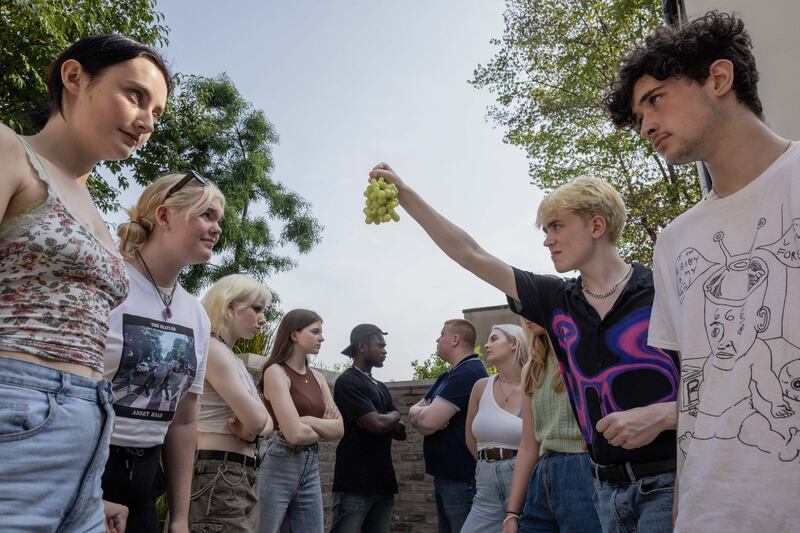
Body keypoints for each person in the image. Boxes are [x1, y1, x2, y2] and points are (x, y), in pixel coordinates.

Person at [368, 166, 680, 532]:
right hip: (603, 491)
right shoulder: (556, 300)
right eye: (545, 230)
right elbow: (470, 254)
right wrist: (404, 193)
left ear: (597, 226)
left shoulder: (665, 289)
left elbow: (726, 389)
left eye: (557, 226)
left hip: (670, 483)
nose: (547, 240)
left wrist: (664, 415)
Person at [606, 10, 800, 531]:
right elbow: (696, 384)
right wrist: (682, 507)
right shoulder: (674, 241)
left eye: (655, 100)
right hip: (709, 511)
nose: (645, 125)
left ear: (718, 79)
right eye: (638, 114)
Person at [0, 34, 171, 531]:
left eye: (157, 112)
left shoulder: (93, 206)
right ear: (74, 78)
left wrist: (88, 490)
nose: (146, 122)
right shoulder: (10, 150)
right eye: (135, 95)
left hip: (88, 436)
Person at [101, 172, 225, 532]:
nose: (216, 229)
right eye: (206, 215)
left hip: (144, 487)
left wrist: (180, 517)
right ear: (164, 216)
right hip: (85, 472)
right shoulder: (108, 282)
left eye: (219, 220)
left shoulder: (196, 314)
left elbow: (185, 420)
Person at [190, 274, 275, 532]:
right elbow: (259, 420)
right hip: (219, 472)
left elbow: (269, 423)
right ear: (230, 307)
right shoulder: (214, 350)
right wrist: (254, 427)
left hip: (236, 472)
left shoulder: (233, 359)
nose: (263, 319)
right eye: (257, 309)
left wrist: (250, 434)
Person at [504, 319, 601, 533]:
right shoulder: (532, 367)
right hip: (541, 475)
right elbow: (529, 444)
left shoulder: (587, 351)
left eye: (531, 300)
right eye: (520, 308)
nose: (526, 313)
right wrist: (512, 513)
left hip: (582, 471)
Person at [257, 309, 344, 533]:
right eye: (315, 331)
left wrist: (305, 419)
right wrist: (321, 426)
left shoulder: (319, 378)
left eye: (321, 332)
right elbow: (294, 434)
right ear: (294, 335)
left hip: (311, 465)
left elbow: (339, 429)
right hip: (279, 464)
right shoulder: (275, 372)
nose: (321, 337)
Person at [408, 319, 488, 533]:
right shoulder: (447, 375)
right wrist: (423, 414)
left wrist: (425, 416)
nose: (437, 338)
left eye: (442, 334)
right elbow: (415, 414)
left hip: (461, 478)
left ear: (454, 340)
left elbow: (426, 421)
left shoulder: (469, 372)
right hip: (445, 476)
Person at [330, 324, 406, 533]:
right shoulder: (348, 381)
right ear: (362, 346)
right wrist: (391, 417)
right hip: (355, 482)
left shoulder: (380, 386)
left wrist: (386, 419)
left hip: (383, 481)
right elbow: (377, 424)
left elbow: (401, 432)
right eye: (380, 345)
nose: (385, 350)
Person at [461, 324, 529, 532]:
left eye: (494, 339)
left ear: (514, 344)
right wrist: (490, 463)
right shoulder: (481, 387)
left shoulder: (533, 386)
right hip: (485, 481)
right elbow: (470, 438)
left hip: (523, 478)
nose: (487, 345)